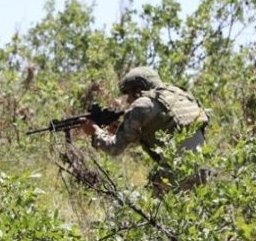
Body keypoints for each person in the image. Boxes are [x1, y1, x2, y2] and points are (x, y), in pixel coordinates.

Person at [81, 66, 209, 193]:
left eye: (128, 93)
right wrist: (122, 131)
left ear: (138, 89)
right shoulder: (180, 95)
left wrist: (95, 131)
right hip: (203, 171)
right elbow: (166, 131)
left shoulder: (142, 104)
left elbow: (114, 148)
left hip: (176, 174)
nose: (128, 100)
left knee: (138, 208)